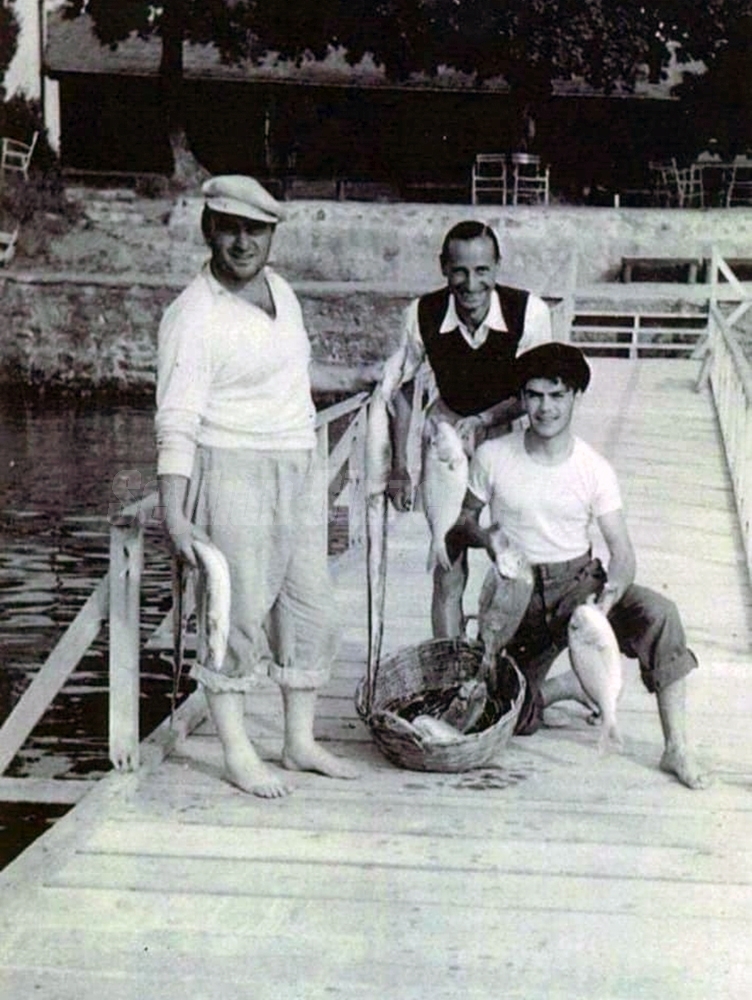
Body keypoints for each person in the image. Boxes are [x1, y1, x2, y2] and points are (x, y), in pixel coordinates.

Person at [155, 174, 359, 798]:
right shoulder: (193, 315)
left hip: (297, 464)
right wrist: (175, 513)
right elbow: (176, 420)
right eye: (230, 229)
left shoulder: (282, 291)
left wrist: (311, 469)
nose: (243, 243)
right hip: (231, 467)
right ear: (209, 231)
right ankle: (237, 751)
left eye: (256, 231)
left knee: (310, 609)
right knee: (236, 614)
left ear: (272, 236)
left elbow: (292, 384)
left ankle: (298, 741)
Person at [445, 342, 708, 789]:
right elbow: (462, 523)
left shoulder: (594, 467)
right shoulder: (493, 456)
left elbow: (622, 552)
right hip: (516, 593)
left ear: (575, 397)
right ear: (521, 399)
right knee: (507, 717)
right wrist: (486, 537)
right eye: (534, 396)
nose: (545, 408)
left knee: (660, 614)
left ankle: (677, 747)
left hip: (580, 585)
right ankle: (565, 686)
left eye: (557, 395)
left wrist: (607, 601)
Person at [377, 220, 552, 637]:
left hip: (509, 437)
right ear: (443, 267)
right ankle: (449, 663)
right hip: (448, 438)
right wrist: (399, 467)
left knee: (512, 558)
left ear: (497, 267)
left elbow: (540, 390)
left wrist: (488, 419)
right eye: (459, 271)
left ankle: (500, 660)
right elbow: (401, 389)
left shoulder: (530, 312)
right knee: (448, 562)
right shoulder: (422, 313)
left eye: (482, 271)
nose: (471, 285)